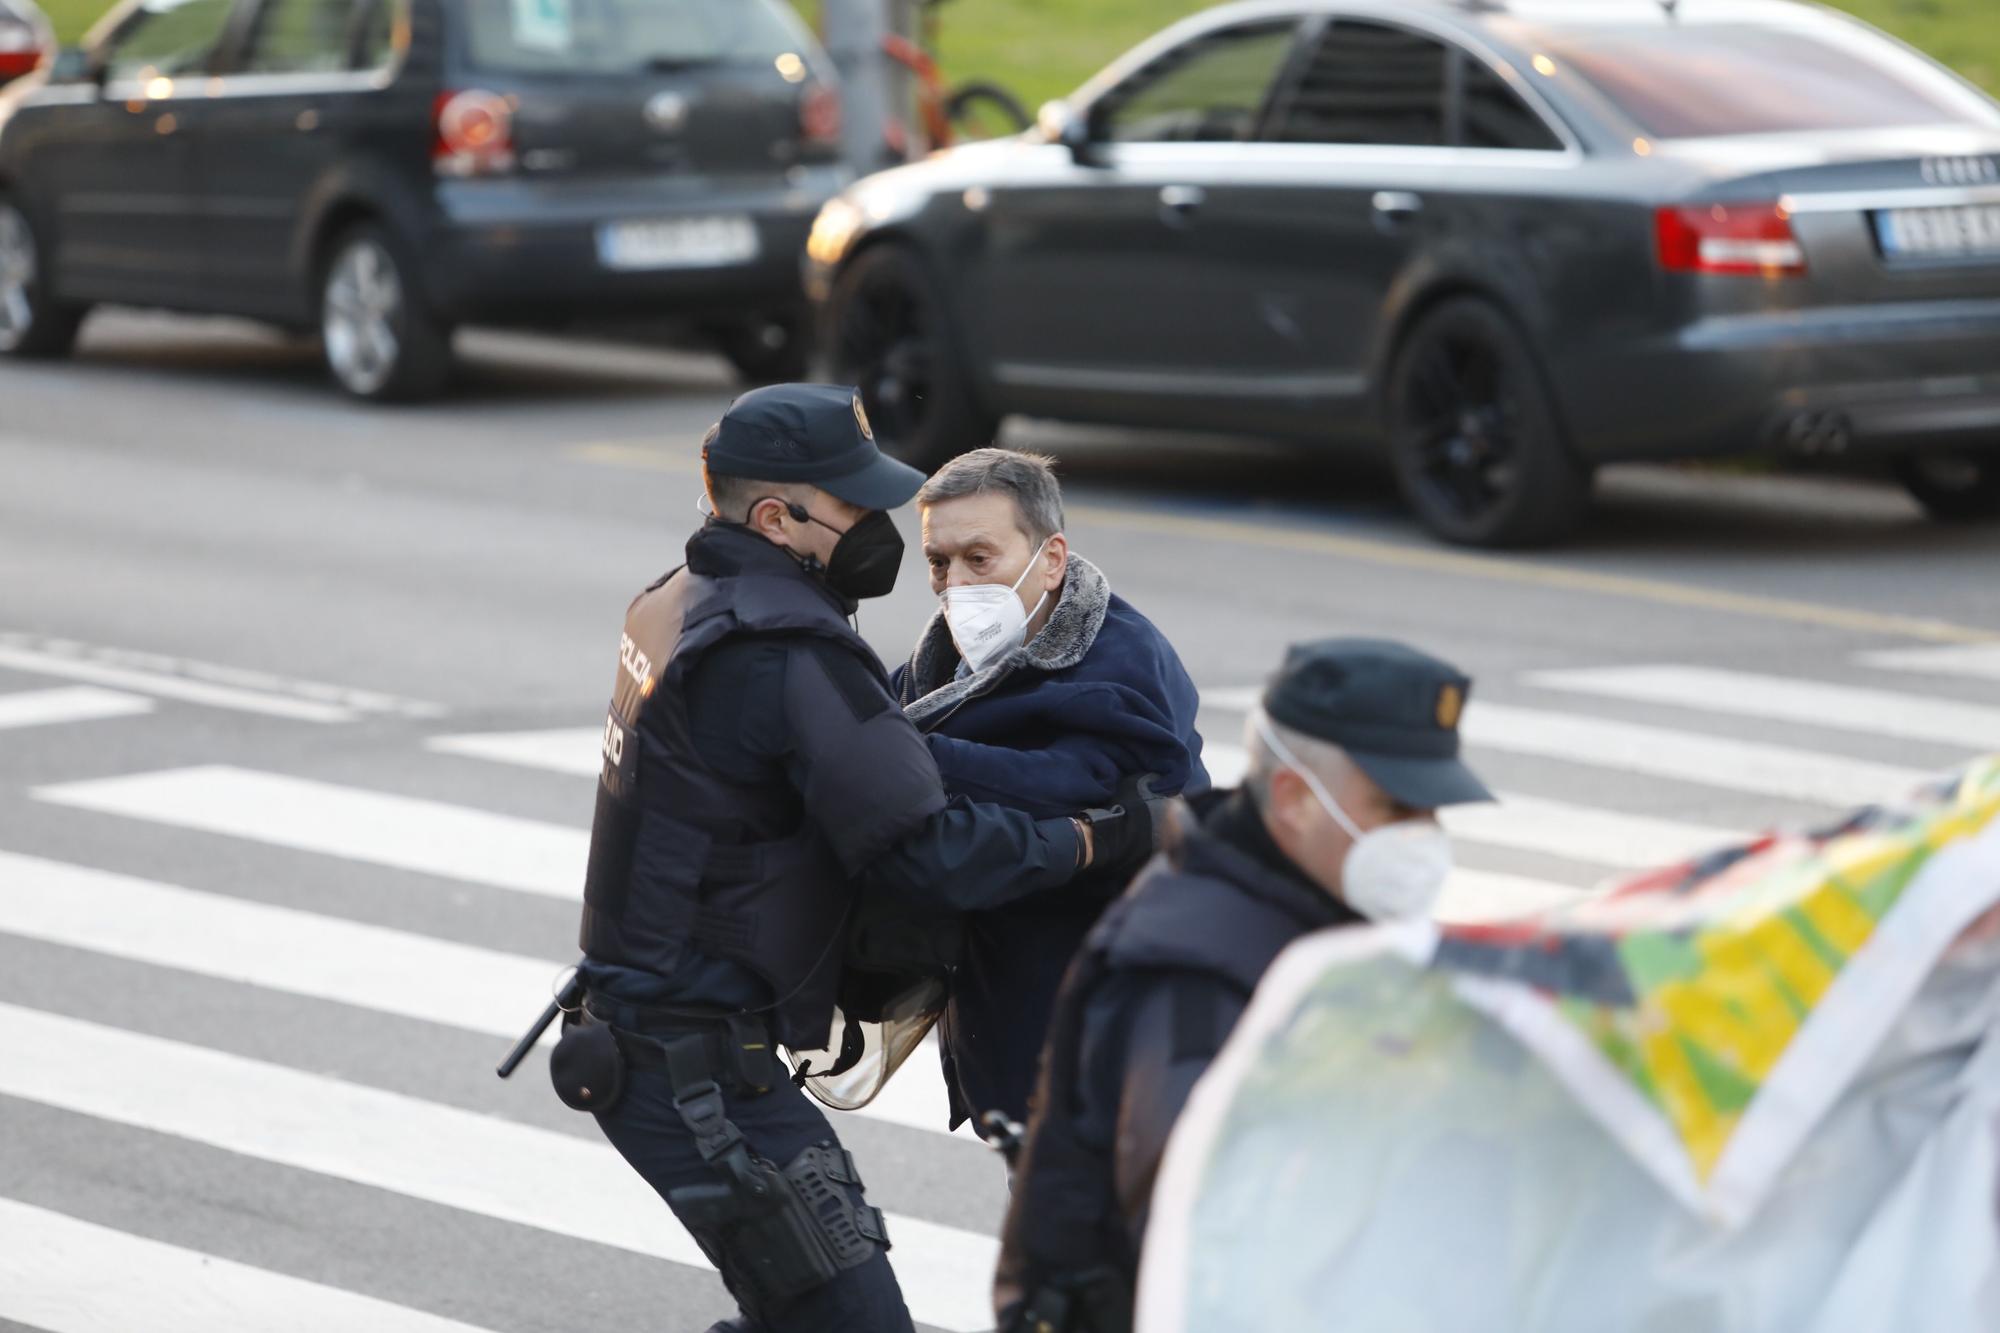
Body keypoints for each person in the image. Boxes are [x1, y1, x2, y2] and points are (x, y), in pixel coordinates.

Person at [556, 384, 1157, 1333]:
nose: (878, 525)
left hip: (658, 1040)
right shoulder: (789, 651)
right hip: (697, 1069)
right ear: (774, 517)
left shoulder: (678, 600)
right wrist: (1091, 838)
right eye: (852, 505)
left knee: (799, 1313)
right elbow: (928, 852)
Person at [993, 638, 1496, 1333]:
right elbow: (1212, 1231)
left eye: (1432, 814)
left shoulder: (1316, 911)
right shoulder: (1193, 971)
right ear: (1293, 797)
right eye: (1397, 808)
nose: (1424, 837)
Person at [889, 447, 1206, 1135]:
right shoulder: (940, 657)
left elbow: (1076, 784)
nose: (955, 585)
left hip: (1105, 1021)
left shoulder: (1121, 662)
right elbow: (875, 717)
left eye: (981, 558)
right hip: (1000, 1007)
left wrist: (911, 753)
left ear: (1052, 558)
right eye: (939, 563)